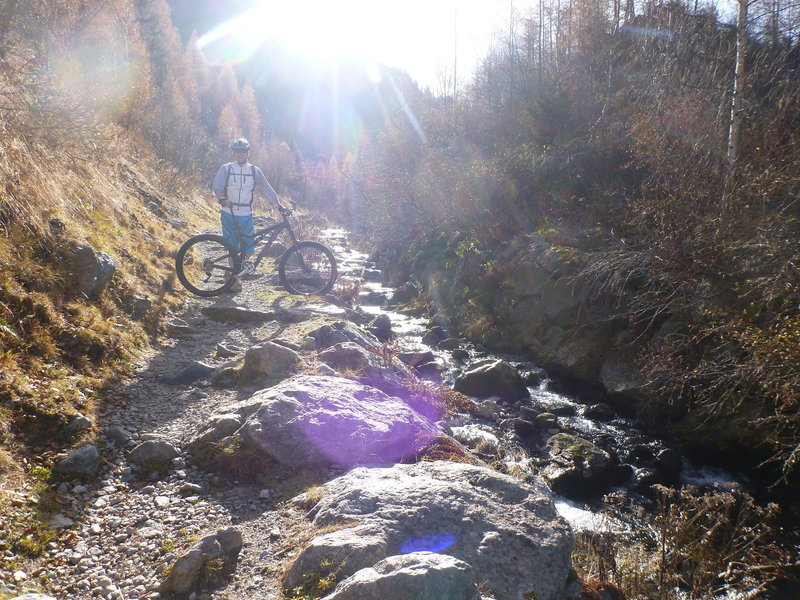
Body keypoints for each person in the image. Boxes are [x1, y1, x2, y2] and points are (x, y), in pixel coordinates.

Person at [212, 138, 280, 292]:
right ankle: (234, 278)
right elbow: (217, 186)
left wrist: (279, 205)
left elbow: (267, 188)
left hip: (246, 213)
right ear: (233, 152)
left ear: (248, 152)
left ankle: (234, 271)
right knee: (232, 247)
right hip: (229, 212)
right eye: (237, 151)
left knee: (248, 248)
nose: (240, 154)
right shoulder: (226, 168)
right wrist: (222, 199)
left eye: (243, 151)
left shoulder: (254, 170)